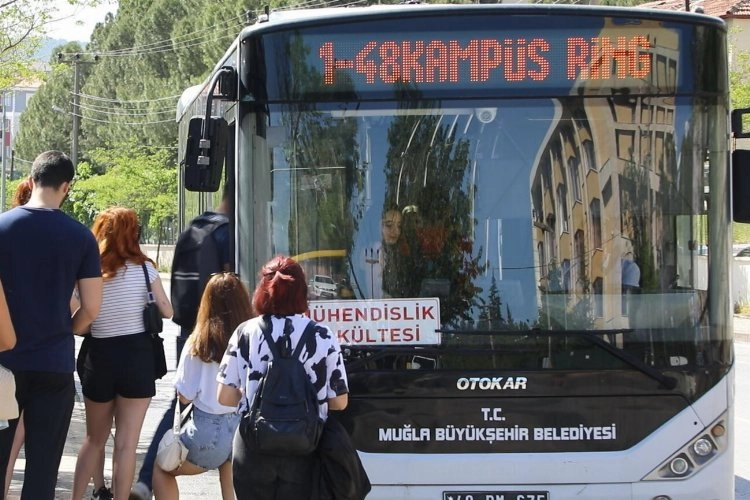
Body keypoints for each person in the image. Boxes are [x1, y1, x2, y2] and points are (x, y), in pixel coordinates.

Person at [0, 150, 103, 500]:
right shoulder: (81, 237)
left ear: (31, 181)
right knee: (43, 468)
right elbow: (92, 307)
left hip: (4, 363)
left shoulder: (3, 227)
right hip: (54, 363)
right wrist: (68, 328)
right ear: (66, 186)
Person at [217, 255, 349, 499]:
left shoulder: (245, 332)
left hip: (253, 448)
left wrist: (253, 395)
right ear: (302, 292)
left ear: (262, 290)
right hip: (306, 449)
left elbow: (224, 396)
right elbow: (340, 402)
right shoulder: (323, 335)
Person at [131, 186, 230, 500]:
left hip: (191, 330)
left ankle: (146, 480)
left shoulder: (196, 228)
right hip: (225, 330)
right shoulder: (228, 233)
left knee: (180, 405)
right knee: (231, 405)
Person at [71, 207, 173, 500]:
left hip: (99, 355)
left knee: (94, 439)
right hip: (137, 357)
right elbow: (168, 311)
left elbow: (76, 317)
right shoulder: (146, 270)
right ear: (134, 234)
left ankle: (76, 497)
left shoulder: (90, 271)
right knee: (127, 444)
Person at [152, 272, 252, 500]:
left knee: (161, 468)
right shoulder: (251, 339)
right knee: (229, 474)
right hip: (243, 430)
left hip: (209, 432)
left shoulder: (198, 342)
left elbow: (184, 396)